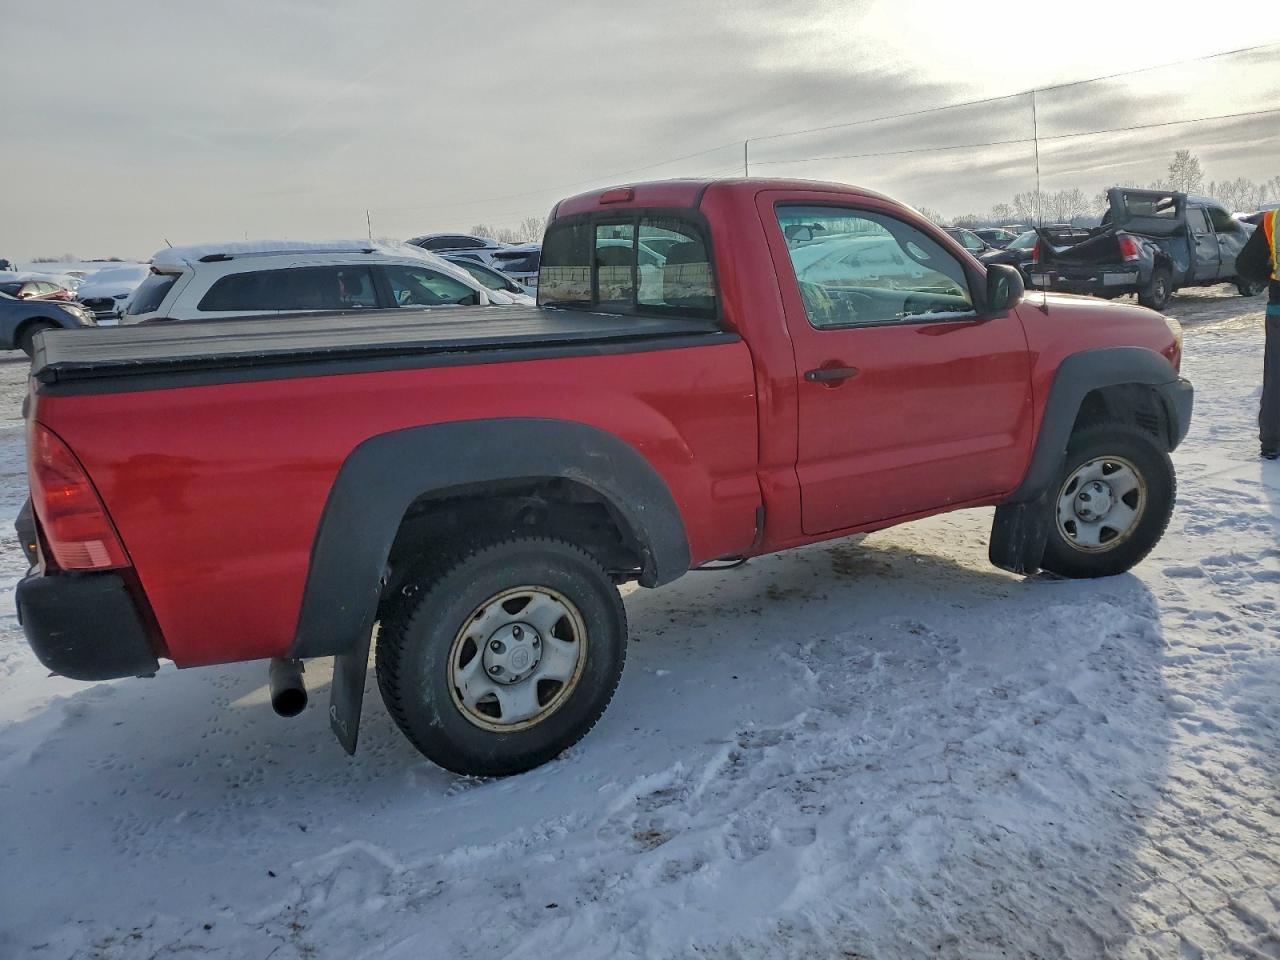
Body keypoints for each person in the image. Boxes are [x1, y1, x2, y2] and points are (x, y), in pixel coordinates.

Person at [1236, 209, 1279, 459]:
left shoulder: (1272, 221)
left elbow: (1245, 265)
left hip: (1278, 308)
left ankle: (1272, 442)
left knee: (1276, 375)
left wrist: (1270, 277)